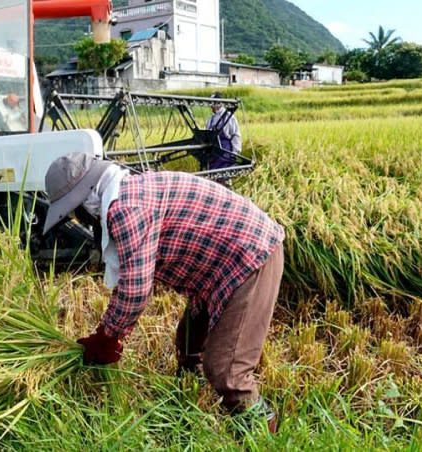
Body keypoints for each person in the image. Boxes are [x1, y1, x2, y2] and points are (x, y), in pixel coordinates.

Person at [42, 152, 286, 434]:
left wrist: (107, 336)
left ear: (85, 200)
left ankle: (263, 432)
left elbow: (135, 290)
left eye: (74, 211)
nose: (79, 218)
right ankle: (189, 399)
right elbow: (135, 271)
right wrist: (109, 330)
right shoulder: (127, 192)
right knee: (188, 341)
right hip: (219, 269)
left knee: (226, 370)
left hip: (249, 257)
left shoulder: (125, 208)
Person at [205, 92, 242, 170]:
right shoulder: (210, 119)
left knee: (224, 178)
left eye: (213, 103)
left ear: (219, 103)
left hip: (226, 153)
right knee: (213, 178)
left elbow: (236, 136)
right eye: (210, 103)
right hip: (213, 154)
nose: (211, 106)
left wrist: (234, 153)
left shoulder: (229, 117)